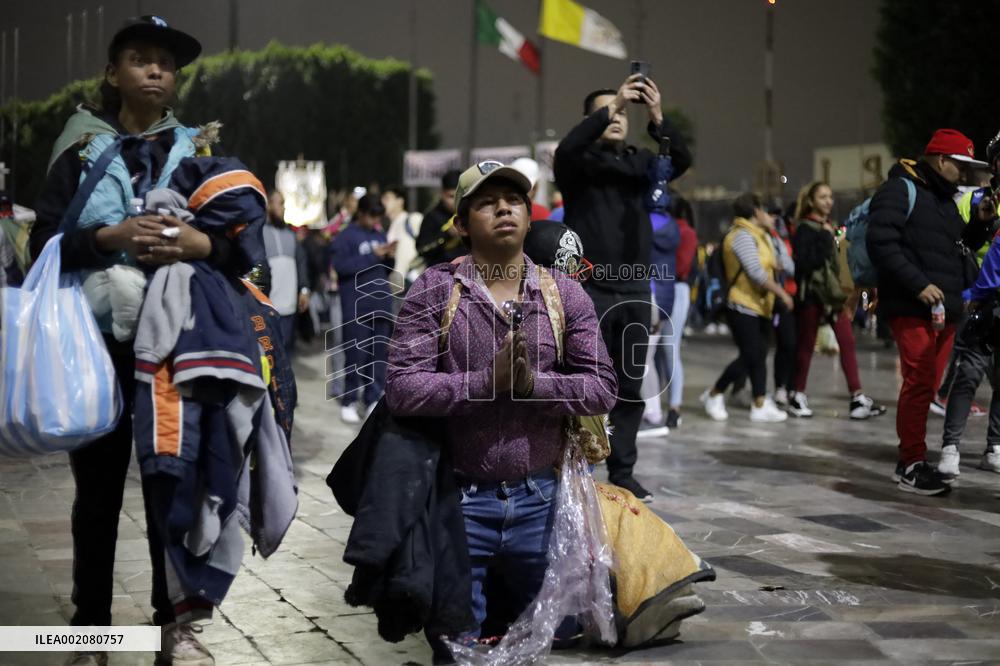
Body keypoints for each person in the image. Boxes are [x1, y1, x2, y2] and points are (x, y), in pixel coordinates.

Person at [28, 15, 221, 666]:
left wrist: (199, 243)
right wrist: (110, 237)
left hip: (177, 344)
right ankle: (91, 633)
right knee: (98, 493)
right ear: (113, 73)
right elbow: (42, 241)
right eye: (140, 58)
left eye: (166, 61)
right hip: (97, 343)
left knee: (173, 487)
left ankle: (174, 628)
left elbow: (239, 248)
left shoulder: (201, 150)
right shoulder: (80, 145)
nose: (156, 69)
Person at [384, 160, 616, 659]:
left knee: (542, 643)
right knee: (456, 645)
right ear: (461, 224)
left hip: (543, 501)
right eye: (487, 203)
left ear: (530, 219)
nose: (504, 209)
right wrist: (485, 384)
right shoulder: (435, 289)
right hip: (458, 502)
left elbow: (601, 388)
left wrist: (534, 386)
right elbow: (402, 388)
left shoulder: (563, 293)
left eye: (513, 201)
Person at [554, 74, 691, 501]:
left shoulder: (640, 164)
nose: (616, 116)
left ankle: (623, 470)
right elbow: (567, 148)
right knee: (584, 380)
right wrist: (612, 103)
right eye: (606, 111)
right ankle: (578, 467)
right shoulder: (577, 165)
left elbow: (681, 159)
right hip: (587, 287)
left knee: (630, 385)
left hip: (633, 288)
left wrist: (657, 115)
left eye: (621, 112)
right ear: (590, 119)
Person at [868, 128, 998, 496]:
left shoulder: (943, 199)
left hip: (944, 309)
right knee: (919, 382)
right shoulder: (899, 190)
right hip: (912, 305)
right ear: (942, 160)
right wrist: (918, 284)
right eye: (961, 166)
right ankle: (912, 464)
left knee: (926, 385)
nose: (966, 174)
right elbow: (881, 242)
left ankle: (910, 461)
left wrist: (980, 223)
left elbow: (956, 248)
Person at [788, 182, 885, 420]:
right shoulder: (805, 228)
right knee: (806, 345)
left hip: (834, 296)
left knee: (847, 341)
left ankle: (857, 398)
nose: (828, 201)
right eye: (823, 197)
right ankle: (797, 395)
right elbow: (806, 262)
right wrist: (825, 236)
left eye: (830, 197)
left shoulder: (830, 227)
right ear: (811, 201)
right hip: (813, 295)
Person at [936, 132, 1000, 481]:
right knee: (968, 374)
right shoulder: (972, 200)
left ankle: (994, 447)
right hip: (976, 300)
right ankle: (950, 447)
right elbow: (955, 245)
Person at [700, 193, 792, 424]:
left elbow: (778, 264)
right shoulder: (741, 235)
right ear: (756, 211)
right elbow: (756, 273)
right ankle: (715, 393)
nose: (770, 215)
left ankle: (759, 403)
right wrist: (782, 293)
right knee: (751, 354)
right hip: (742, 304)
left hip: (760, 305)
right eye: (765, 210)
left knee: (759, 355)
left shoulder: (760, 235)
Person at [331, 194, 395, 424]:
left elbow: (386, 270)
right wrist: (372, 256)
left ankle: (372, 399)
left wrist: (389, 257)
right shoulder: (346, 236)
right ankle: (349, 400)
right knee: (355, 355)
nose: (375, 220)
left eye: (378, 216)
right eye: (372, 215)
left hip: (380, 304)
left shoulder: (379, 235)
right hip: (356, 305)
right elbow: (341, 267)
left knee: (378, 357)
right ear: (361, 212)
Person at [263, 190, 310, 359]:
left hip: (289, 307)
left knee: (286, 356)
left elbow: (301, 264)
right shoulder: (258, 234)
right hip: (266, 307)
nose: (283, 208)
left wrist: (304, 290)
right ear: (268, 205)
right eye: (280, 203)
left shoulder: (291, 235)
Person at [415, 169, 462, 269]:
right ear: (442, 193)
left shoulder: (471, 214)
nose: (455, 201)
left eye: (459, 196)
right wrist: (446, 234)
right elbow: (422, 249)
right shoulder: (432, 216)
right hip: (440, 272)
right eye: (451, 196)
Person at [382, 185, 423, 293]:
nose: (383, 202)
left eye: (387, 198)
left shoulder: (413, 219)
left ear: (400, 201)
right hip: (396, 290)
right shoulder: (386, 228)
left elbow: (428, 247)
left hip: (414, 287)